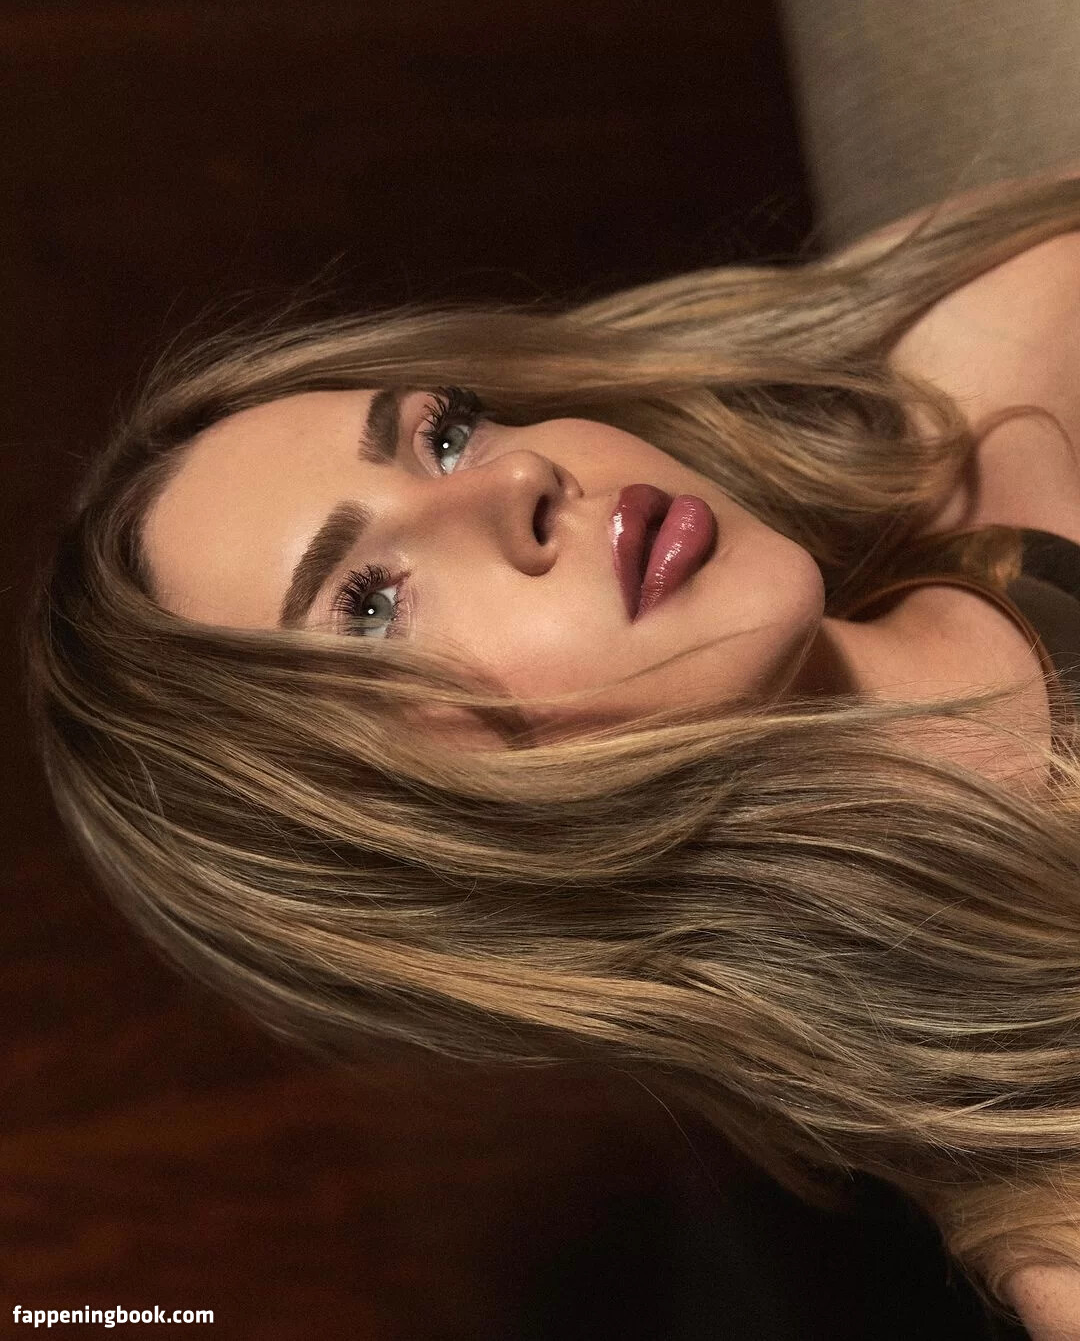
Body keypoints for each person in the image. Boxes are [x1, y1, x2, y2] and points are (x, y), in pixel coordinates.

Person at [24, 159, 1080, 1338]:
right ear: (404, 840)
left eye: (444, 435)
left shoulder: (987, 362)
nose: (519, 479)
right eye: (370, 606)